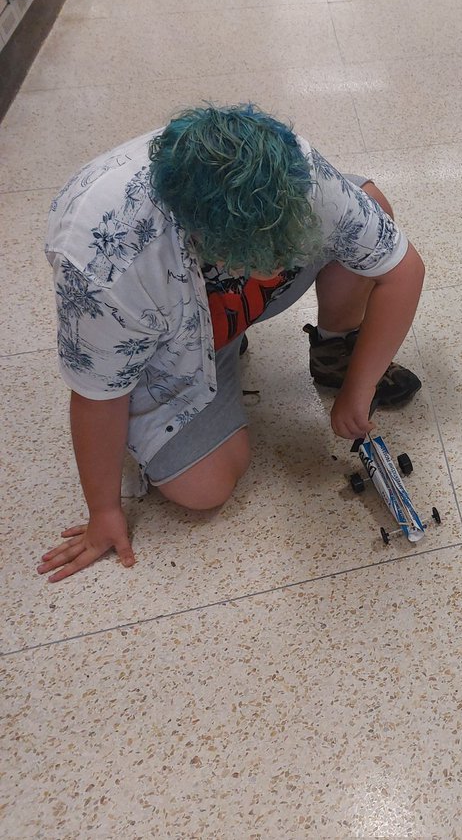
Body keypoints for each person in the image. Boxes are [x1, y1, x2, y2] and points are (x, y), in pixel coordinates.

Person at [39, 104, 425, 582]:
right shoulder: (103, 264)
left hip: (205, 297)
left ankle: (333, 349)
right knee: (205, 488)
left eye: (283, 249)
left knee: (371, 208)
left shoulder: (293, 171)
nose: (273, 272)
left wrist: (357, 387)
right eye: (255, 259)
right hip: (167, 338)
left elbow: (402, 271)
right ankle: (220, 342)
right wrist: (104, 513)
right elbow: (98, 395)